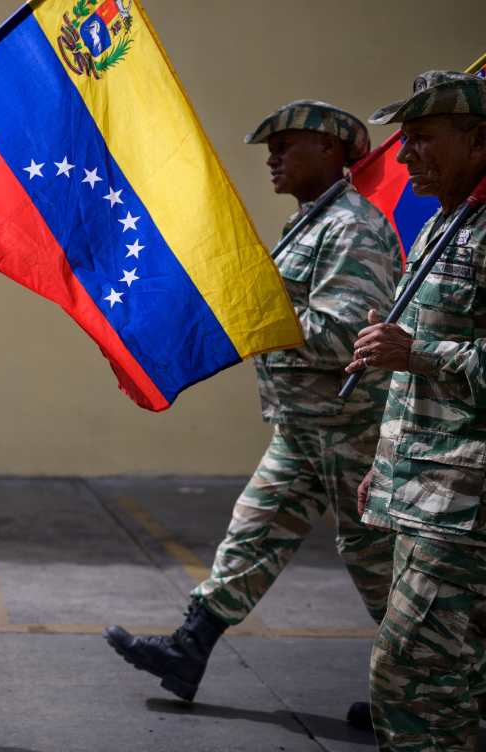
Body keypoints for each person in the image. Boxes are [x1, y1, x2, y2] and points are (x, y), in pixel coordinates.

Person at [103, 101, 401, 720]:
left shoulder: (351, 228)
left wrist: (258, 315)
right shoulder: (310, 224)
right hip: (304, 429)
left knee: (379, 564)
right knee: (253, 533)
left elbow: (351, 335)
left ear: (329, 150)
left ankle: (427, 691)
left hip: (351, 432)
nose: (272, 158)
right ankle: (188, 650)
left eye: (286, 145)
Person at [347, 70, 486, 752]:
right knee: (461, 684)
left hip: (468, 509)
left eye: (424, 140)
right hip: (427, 494)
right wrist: (385, 463)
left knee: (405, 681)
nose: (404, 160)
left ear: (479, 140)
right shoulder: (441, 223)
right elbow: (411, 375)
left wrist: (420, 351)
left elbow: (424, 356)